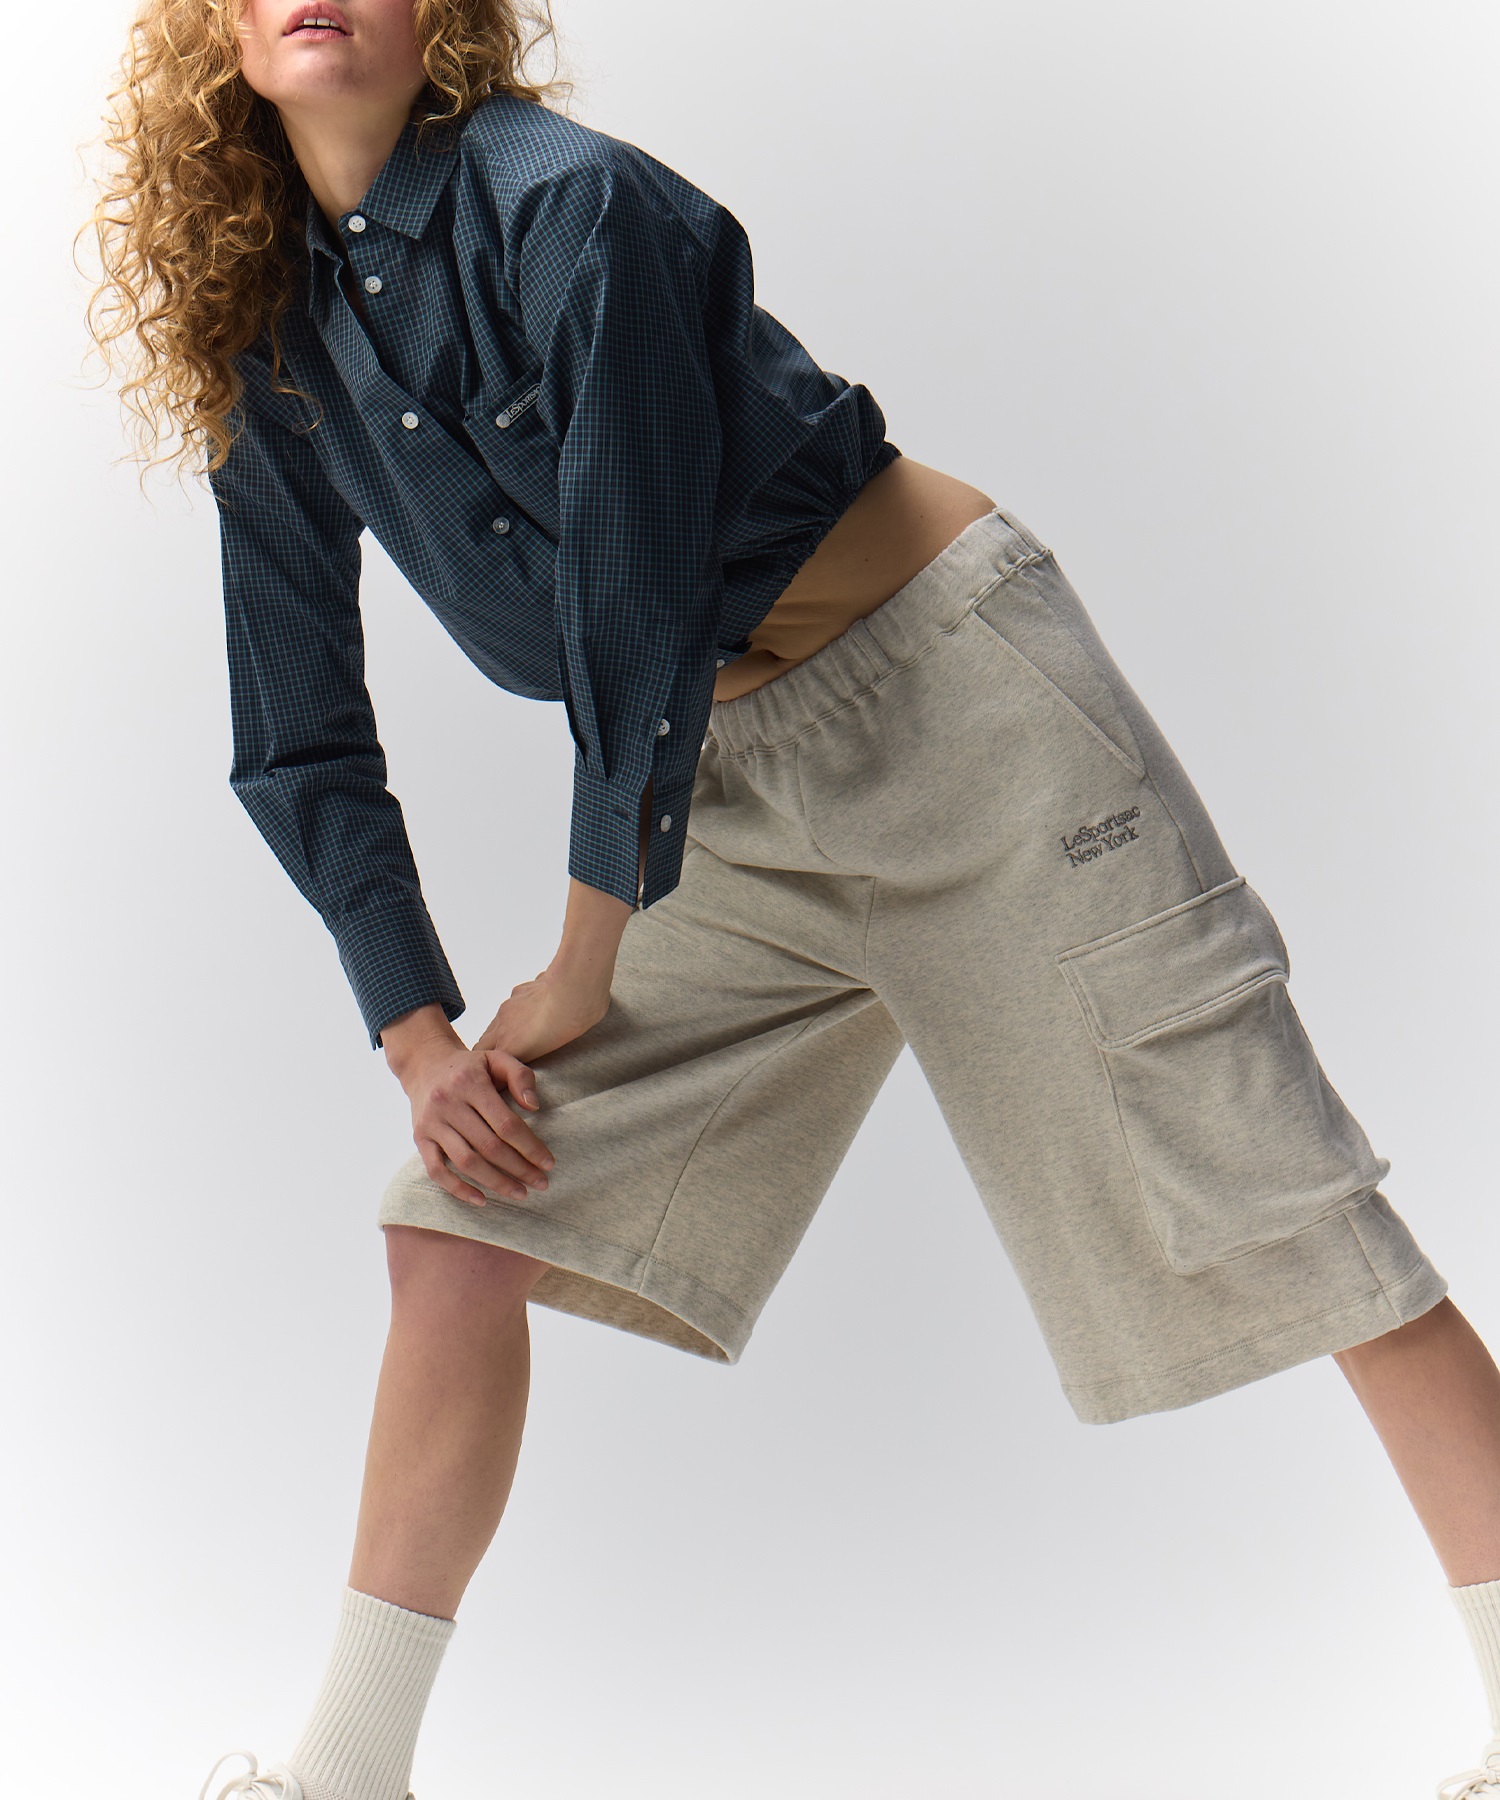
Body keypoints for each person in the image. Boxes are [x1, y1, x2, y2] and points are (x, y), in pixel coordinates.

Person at [82, 2, 1500, 1797]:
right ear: (212, 25)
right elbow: (295, 727)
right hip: (724, 789)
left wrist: (580, 960)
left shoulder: (572, 206)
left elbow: (634, 599)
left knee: (1279, 1198)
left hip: (970, 725)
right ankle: (347, 1775)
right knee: (455, 1217)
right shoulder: (271, 329)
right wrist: (421, 1037)